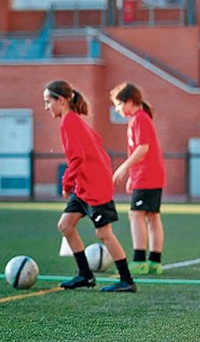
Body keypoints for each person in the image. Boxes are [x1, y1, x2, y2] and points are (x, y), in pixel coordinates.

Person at [43, 80, 136, 292]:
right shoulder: (73, 120)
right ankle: (85, 275)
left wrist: (66, 182)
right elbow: (96, 143)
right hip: (84, 186)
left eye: (48, 102)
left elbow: (77, 157)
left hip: (95, 187)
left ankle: (127, 280)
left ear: (62, 101)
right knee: (65, 226)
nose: (47, 107)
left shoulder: (70, 122)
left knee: (104, 234)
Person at [110, 83, 166, 276]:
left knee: (136, 215)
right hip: (149, 174)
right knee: (151, 217)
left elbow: (143, 148)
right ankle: (155, 262)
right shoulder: (140, 118)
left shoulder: (139, 118)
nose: (117, 109)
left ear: (130, 102)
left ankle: (140, 260)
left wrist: (124, 167)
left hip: (147, 175)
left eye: (118, 105)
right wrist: (132, 175)